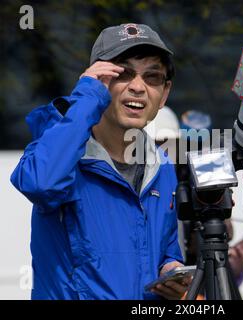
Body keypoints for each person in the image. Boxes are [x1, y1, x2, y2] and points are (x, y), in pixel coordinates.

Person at [10, 23, 189, 300]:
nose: (138, 87)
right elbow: (39, 183)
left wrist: (171, 269)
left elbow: (164, 250)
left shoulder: (162, 166)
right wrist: (88, 96)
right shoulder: (62, 150)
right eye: (123, 73)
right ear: (98, 80)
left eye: (152, 78)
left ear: (164, 94)